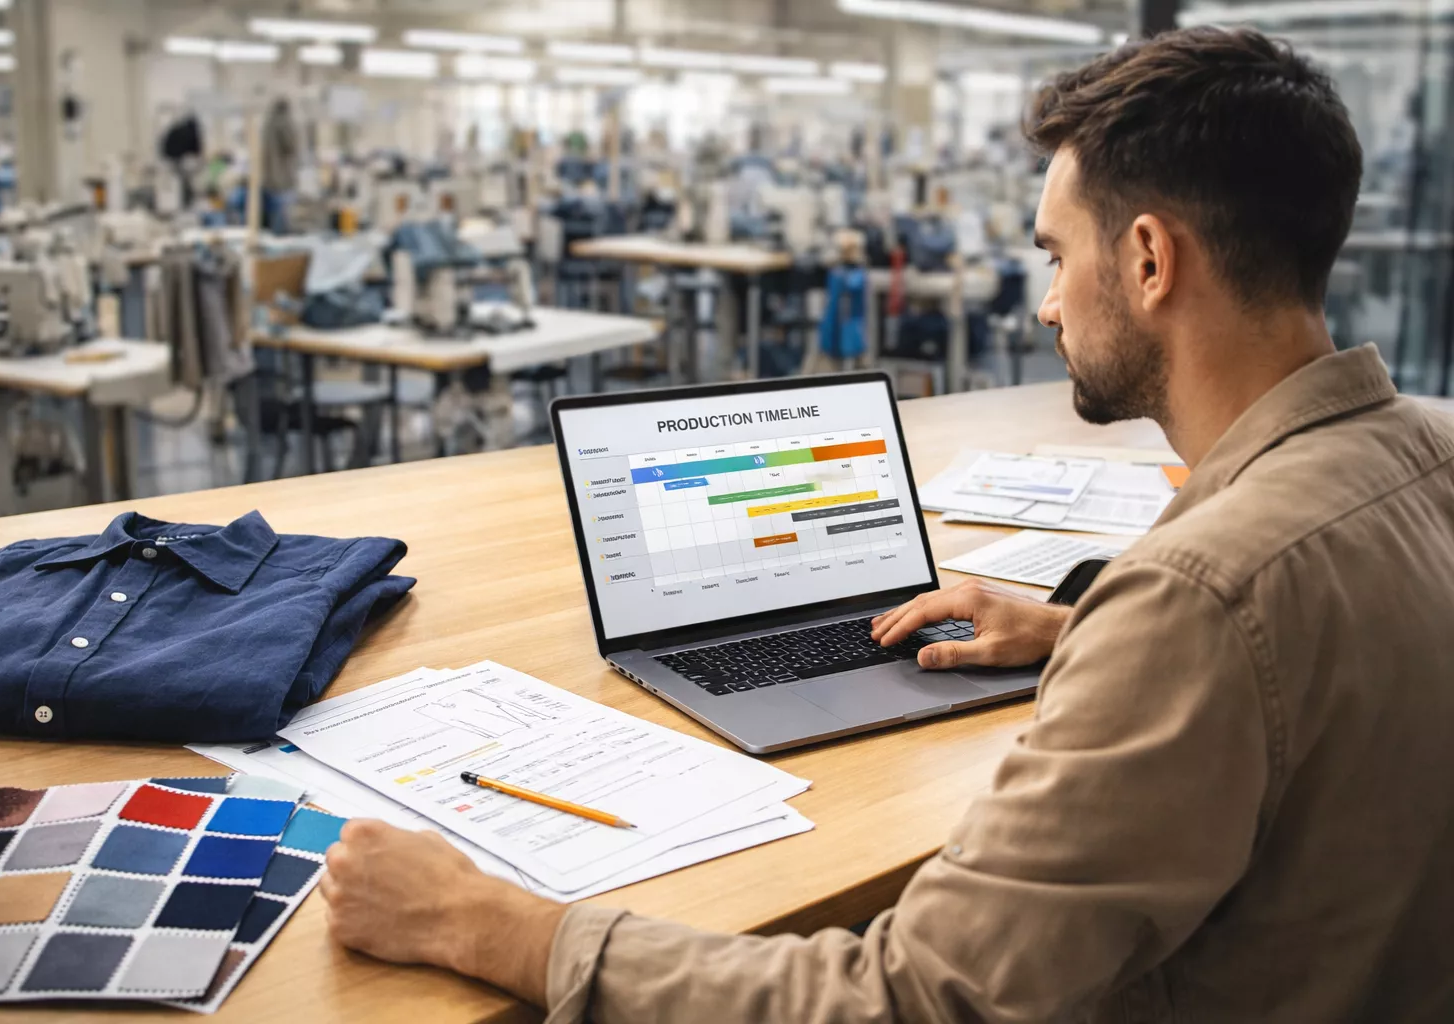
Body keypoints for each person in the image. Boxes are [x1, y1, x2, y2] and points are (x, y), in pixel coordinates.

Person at [319, 27, 1454, 1023]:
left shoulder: (1202, 598)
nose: (1049, 300)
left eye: (1059, 255)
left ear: (1150, 258)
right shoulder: (1430, 458)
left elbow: (910, 998)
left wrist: (495, 926)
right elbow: (1309, 651)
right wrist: (1084, 628)